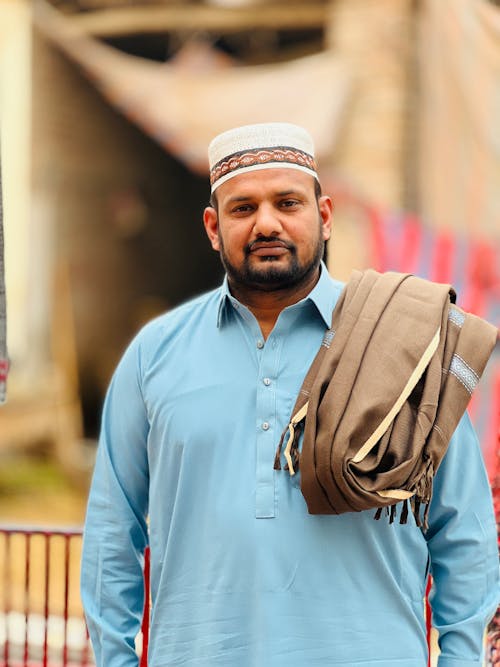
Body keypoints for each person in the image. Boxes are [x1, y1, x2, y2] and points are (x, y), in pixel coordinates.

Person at [81, 122, 499, 667]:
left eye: (287, 202)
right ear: (212, 227)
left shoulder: (404, 340)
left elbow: (463, 528)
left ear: (324, 216)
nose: (267, 223)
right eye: (242, 208)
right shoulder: (155, 354)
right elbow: (113, 535)